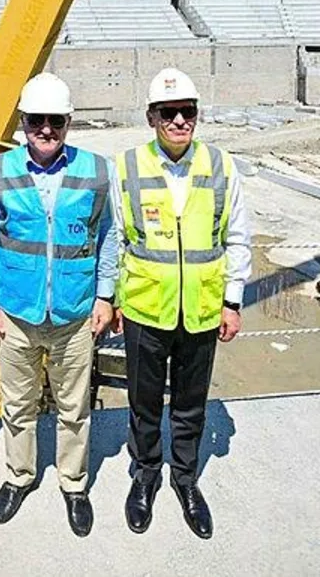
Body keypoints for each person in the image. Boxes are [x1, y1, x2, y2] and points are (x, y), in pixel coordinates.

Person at [0, 73, 119, 537]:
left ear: (69, 122)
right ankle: (19, 476)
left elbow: (108, 235)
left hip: (75, 315)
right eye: (37, 120)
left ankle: (73, 483)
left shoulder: (97, 170)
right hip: (16, 313)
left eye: (56, 120)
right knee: (18, 404)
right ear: (23, 122)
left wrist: (105, 295)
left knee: (74, 407)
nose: (46, 129)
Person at [112, 67, 252, 540]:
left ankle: (185, 479)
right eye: (168, 112)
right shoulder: (127, 166)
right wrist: (112, 299)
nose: (178, 121)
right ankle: (145, 475)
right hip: (144, 309)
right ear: (151, 117)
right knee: (144, 402)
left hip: (201, 308)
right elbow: (115, 239)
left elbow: (237, 236)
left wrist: (232, 301)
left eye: (186, 112)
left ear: (197, 115)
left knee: (191, 405)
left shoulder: (221, 165)